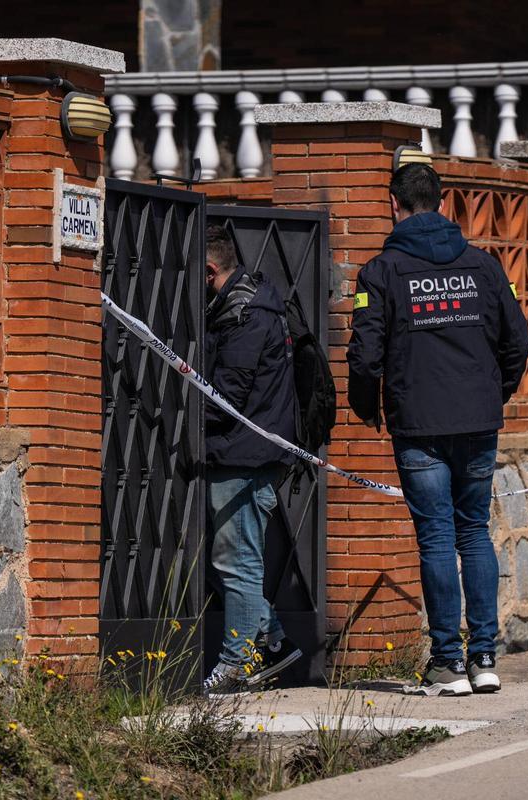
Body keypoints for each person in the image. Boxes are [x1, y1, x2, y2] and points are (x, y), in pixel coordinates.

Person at [347, 161, 528, 696]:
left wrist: (369, 408)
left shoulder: (381, 272)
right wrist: (494, 394)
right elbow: (517, 342)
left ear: (393, 205)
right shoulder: (485, 266)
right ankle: (485, 659)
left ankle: (448, 662)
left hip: (419, 423)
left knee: (435, 536)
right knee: (474, 530)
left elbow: (364, 355)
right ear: (443, 203)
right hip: (477, 421)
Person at [201, 224, 303, 697]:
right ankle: (275, 643)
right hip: (249, 451)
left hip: (244, 454)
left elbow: (226, 397)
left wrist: (180, 417)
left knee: (237, 563)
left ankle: (237, 662)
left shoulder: (243, 317)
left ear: (209, 271)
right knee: (233, 558)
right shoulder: (253, 305)